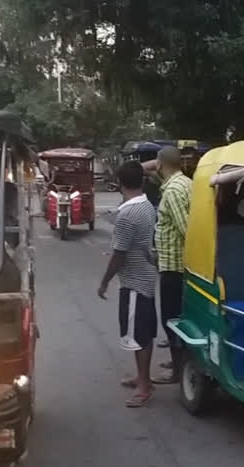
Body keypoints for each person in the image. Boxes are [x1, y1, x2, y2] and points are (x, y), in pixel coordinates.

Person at [97, 160, 158, 407]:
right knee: (145, 331)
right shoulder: (147, 205)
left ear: (119, 183)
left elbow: (118, 254)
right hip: (146, 276)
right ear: (142, 181)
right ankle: (143, 377)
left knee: (137, 335)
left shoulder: (127, 213)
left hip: (133, 281)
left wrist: (104, 282)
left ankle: (143, 386)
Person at [152, 146, 193, 384]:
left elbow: (186, 229)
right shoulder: (185, 183)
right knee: (177, 316)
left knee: (171, 319)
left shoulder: (174, 191)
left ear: (160, 164)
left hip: (174, 266)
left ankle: (178, 370)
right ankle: (178, 361)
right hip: (177, 265)